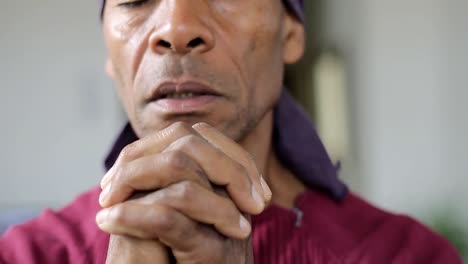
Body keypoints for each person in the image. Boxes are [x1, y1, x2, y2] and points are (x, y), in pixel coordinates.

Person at [0, 0, 462, 263]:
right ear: (106, 46)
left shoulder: (408, 256)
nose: (176, 29)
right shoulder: (26, 256)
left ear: (292, 32)